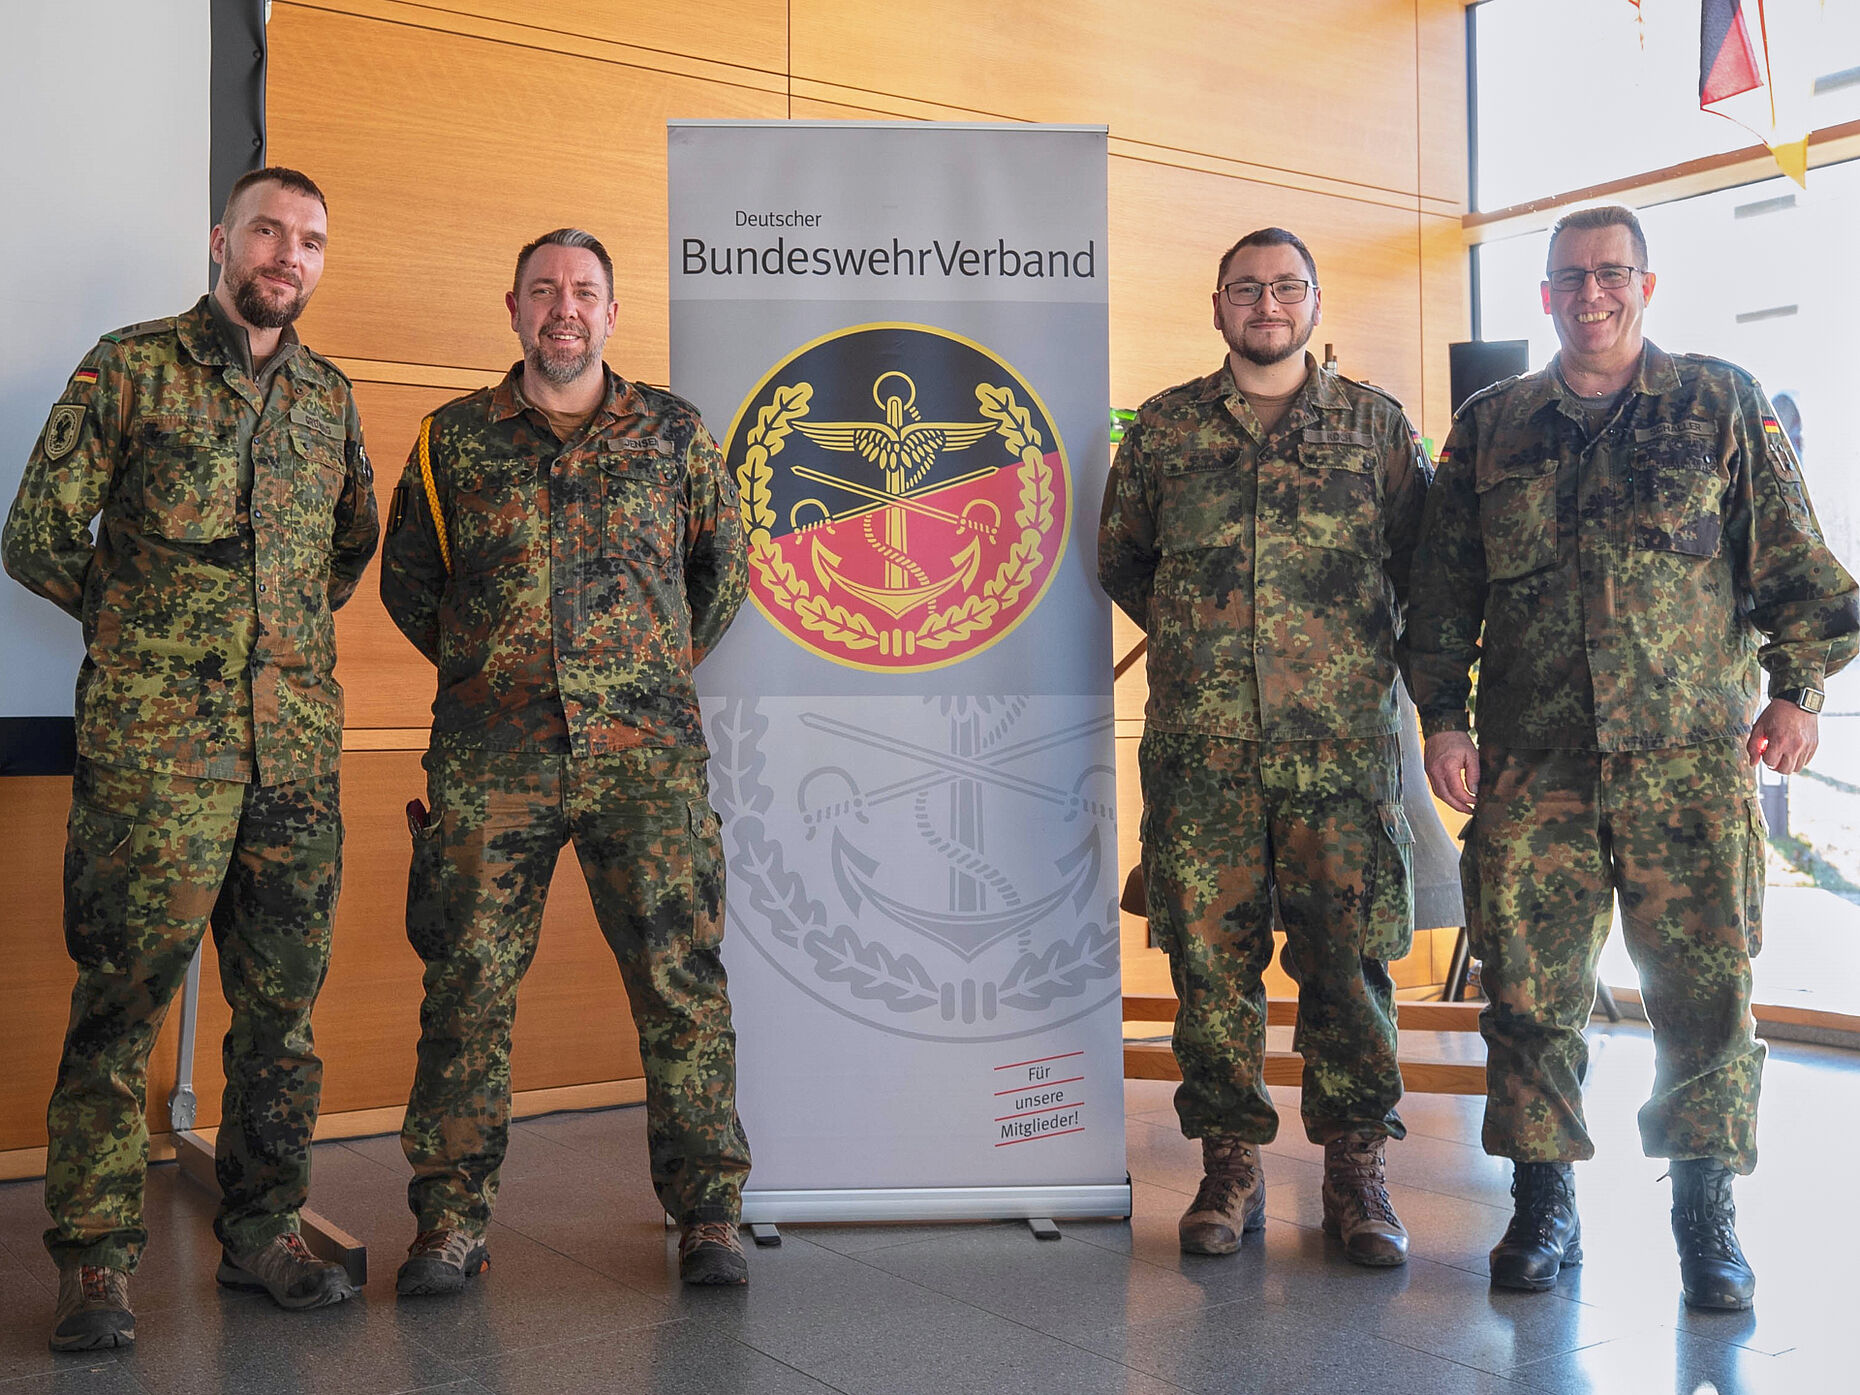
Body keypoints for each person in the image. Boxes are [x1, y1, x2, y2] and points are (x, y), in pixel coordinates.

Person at [1409, 205, 1859, 1309]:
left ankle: (1705, 1218)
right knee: (1530, 993)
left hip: (1690, 767)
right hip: (1533, 766)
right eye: (1571, 277)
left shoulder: (1721, 403)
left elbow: (1801, 569)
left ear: (1647, 287)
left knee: (1706, 996)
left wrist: (1798, 692)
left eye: (1613, 274)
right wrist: (1443, 717)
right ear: (1547, 295)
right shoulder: (1493, 424)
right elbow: (1442, 591)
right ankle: (1541, 1201)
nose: (1592, 294)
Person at [3, 167, 378, 1351]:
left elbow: (344, 551)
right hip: (156, 764)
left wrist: (270, 648)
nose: (289, 253)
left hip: (295, 763)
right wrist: (147, 634)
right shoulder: (131, 366)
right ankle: (97, 1263)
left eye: (311, 239)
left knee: (282, 1016)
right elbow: (40, 534)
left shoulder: (330, 396)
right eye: (269, 229)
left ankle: (265, 1229)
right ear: (224, 240)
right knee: (121, 1011)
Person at [379, 228, 752, 1292]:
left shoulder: (675, 434)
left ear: (612, 314)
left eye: (584, 292)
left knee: (682, 986)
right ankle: (448, 1224)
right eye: (543, 291)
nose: (563, 309)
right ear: (513, 309)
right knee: (466, 991)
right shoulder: (451, 439)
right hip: (492, 763)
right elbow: (414, 584)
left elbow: (719, 575)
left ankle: (709, 1215)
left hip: (649, 763)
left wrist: (637, 674)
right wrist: (493, 670)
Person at [1099, 227, 1430, 1266]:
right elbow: (1125, 560)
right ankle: (1227, 1168)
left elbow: (1420, 567)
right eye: (1247, 288)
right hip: (1205, 760)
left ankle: (1356, 1174)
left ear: (1316, 304)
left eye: (1287, 286)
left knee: (1349, 966)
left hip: (1342, 761)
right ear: (1218, 307)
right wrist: (1214, 651)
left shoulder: (1375, 428)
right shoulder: (1163, 431)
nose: (1268, 303)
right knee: (1210, 966)